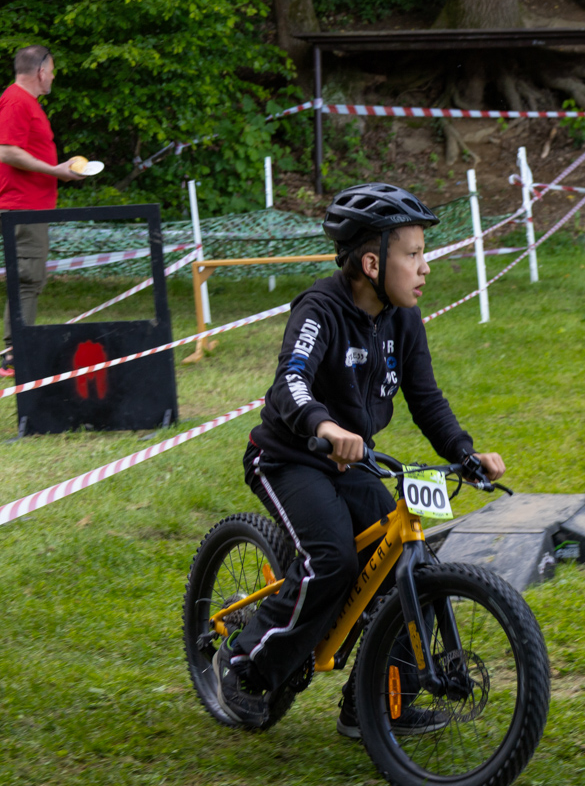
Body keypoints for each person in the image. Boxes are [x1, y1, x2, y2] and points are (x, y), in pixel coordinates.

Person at [213, 183, 508, 733]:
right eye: (413, 254)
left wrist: (465, 453)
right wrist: (323, 425)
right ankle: (246, 665)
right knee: (332, 561)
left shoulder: (403, 320)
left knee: (409, 564)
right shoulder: (319, 309)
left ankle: (373, 704)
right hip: (288, 458)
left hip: (353, 466)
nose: (425, 267)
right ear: (372, 264)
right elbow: (289, 382)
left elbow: (427, 400)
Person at [0, 44, 85, 377]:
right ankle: (15, 357)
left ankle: (17, 351)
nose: (53, 77)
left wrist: (57, 170)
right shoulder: (16, 101)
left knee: (30, 278)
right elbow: (7, 152)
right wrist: (55, 170)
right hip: (20, 206)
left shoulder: (25, 103)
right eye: (52, 71)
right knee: (27, 280)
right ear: (41, 71)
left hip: (29, 206)